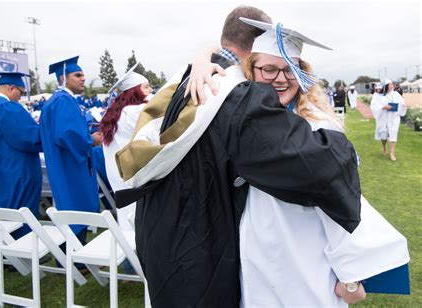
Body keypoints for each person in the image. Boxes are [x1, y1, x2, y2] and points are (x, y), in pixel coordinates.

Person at [113, 6, 363, 307]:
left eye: (289, 69)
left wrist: (204, 53)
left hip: (163, 236)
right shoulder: (234, 95)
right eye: (269, 68)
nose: (280, 78)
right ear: (252, 57)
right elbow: (319, 166)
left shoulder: (188, 79)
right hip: (201, 249)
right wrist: (338, 142)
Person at [39, 56, 102, 243]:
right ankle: (74, 259)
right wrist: (90, 140)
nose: (83, 78)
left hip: (63, 163)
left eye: (83, 75)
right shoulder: (63, 101)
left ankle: (74, 257)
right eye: (77, 75)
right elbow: (67, 134)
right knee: (75, 206)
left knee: (71, 207)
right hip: (70, 165)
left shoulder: (58, 100)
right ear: (62, 78)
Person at [99, 64, 152, 275]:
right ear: (135, 91)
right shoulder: (134, 111)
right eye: (146, 87)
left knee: (127, 219)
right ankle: (136, 267)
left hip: (117, 175)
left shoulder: (115, 112)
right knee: (140, 220)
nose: (150, 91)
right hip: (133, 174)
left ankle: (128, 267)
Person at [0, 72, 42, 218]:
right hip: (16, 172)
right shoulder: (7, 108)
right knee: (22, 218)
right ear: (11, 88)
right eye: (21, 92)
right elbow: (30, 138)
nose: (20, 97)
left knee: (3, 217)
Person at [369, 78, 406, 161]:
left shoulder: (396, 94)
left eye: (392, 84)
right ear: (386, 86)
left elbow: (402, 102)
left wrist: (403, 104)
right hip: (383, 118)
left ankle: (392, 153)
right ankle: (384, 146)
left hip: (394, 117)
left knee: (394, 132)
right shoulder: (378, 95)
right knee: (384, 134)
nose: (392, 85)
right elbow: (373, 106)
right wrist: (383, 107)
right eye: (390, 84)